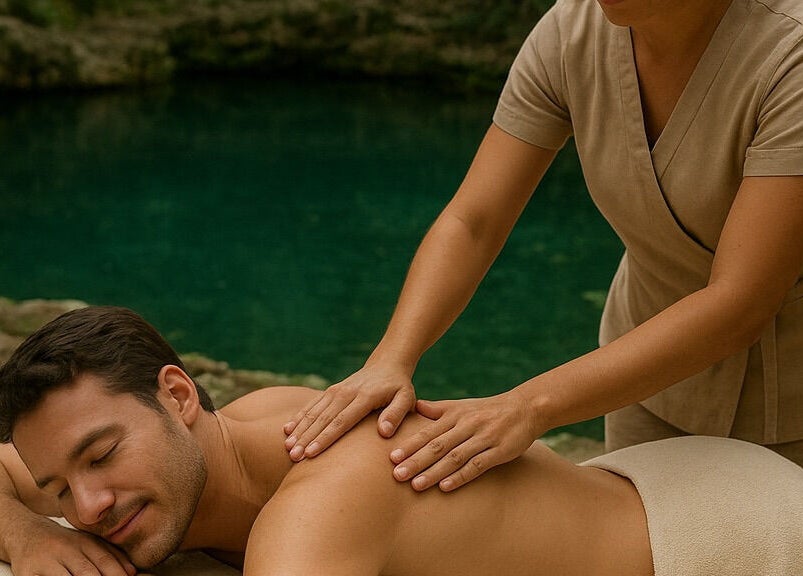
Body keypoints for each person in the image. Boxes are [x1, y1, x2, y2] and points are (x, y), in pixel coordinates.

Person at [282, 0, 803, 492]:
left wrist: (529, 406)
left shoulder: (789, 53)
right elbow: (474, 221)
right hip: (642, 377)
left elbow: (740, 302)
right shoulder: (573, 30)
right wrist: (391, 359)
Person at [1, 307, 802, 576]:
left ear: (178, 395)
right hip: (656, 477)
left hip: (724, 541)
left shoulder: (317, 510)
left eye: (102, 456)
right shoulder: (242, 428)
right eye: (61, 486)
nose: (89, 505)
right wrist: (27, 533)